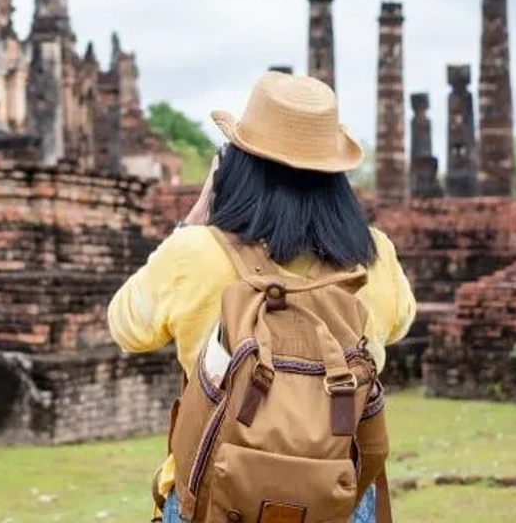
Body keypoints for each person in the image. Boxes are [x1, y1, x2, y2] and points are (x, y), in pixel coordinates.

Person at [108, 71, 417, 523]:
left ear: (237, 165)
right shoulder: (371, 255)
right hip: (339, 498)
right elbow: (400, 322)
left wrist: (192, 222)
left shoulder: (196, 252)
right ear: (336, 180)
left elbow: (125, 326)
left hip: (213, 497)